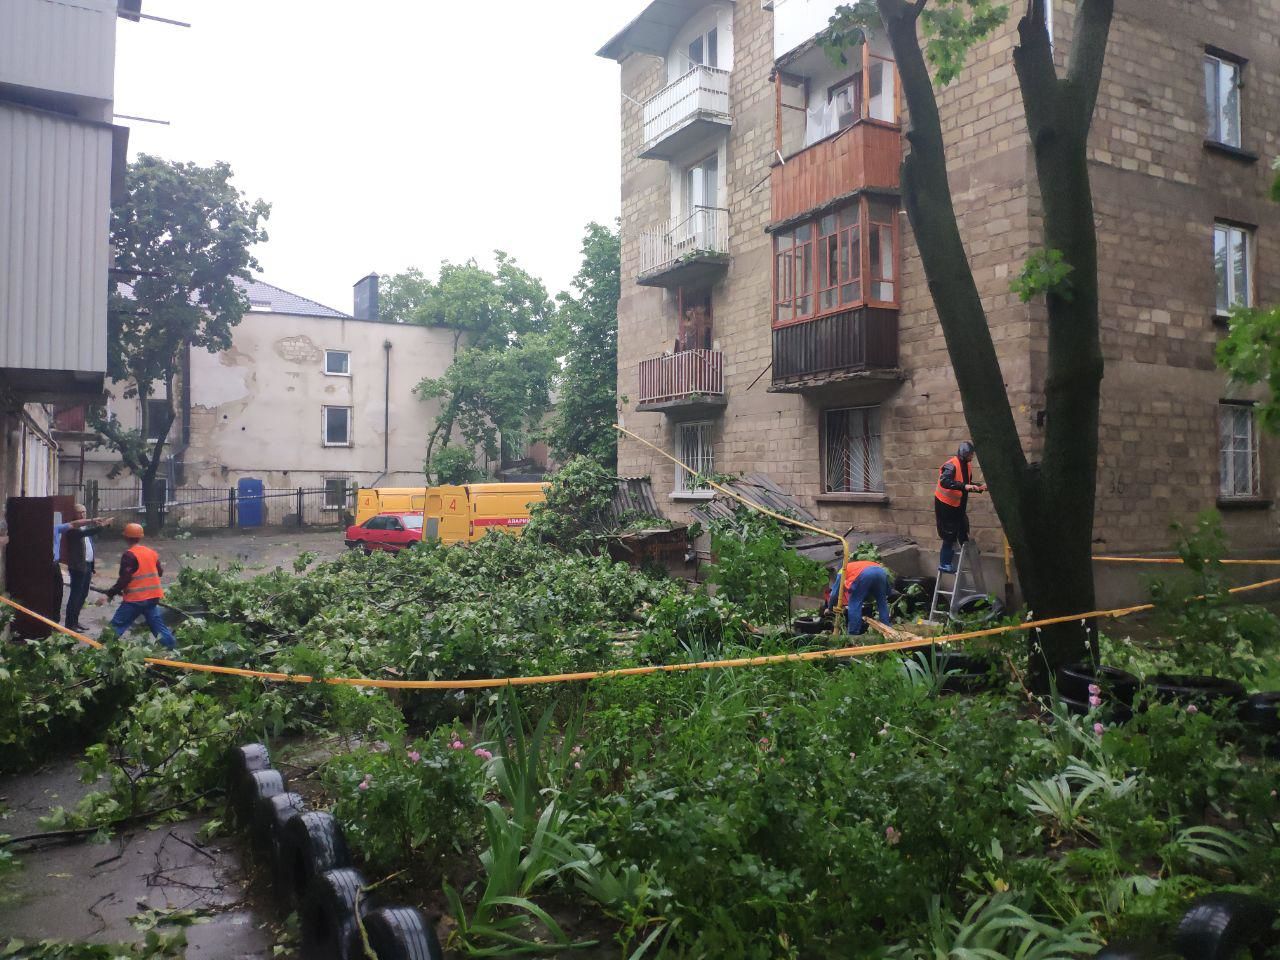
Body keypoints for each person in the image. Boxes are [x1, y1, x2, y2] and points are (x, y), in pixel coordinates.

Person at [101, 522, 176, 650]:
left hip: (136, 599)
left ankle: (99, 649)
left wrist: (109, 594)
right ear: (140, 537)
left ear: (126, 537)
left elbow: (124, 579)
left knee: (116, 625)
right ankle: (172, 650)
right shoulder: (150, 552)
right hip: (152, 597)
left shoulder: (129, 555)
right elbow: (160, 572)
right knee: (158, 626)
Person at [59, 504, 113, 630]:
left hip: (87, 564)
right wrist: (102, 526)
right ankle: (70, 624)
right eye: (79, 513)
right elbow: (91, 532)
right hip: (78, 566)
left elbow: (90, 539)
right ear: (74, 514)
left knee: (83, 594)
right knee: (76, 594)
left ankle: (75, 621)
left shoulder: (84, 526)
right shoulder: (72, 529)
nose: (82, 515)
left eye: (84, 512)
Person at [935, 441, 986, 573]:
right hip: (946, 506)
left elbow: (966, 484)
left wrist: (979, 487)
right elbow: (945, 481)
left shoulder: (966, 466)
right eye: (971, 454)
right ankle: (944, 563)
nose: (972, 456)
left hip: (958, 505)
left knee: (963, 526)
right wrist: (964, 486)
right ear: (965, 454)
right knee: (949, 534)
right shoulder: (951, 465)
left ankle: (968, 551)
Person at [823, 559, 892, 636]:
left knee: (854, 603)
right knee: (882, 602)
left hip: (864, 574)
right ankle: (888, 630)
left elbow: (834, 593)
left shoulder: (843, 570)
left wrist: (829, 608)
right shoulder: (858, 565)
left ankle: (853, 633)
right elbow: (888, 592)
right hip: (881, 572)